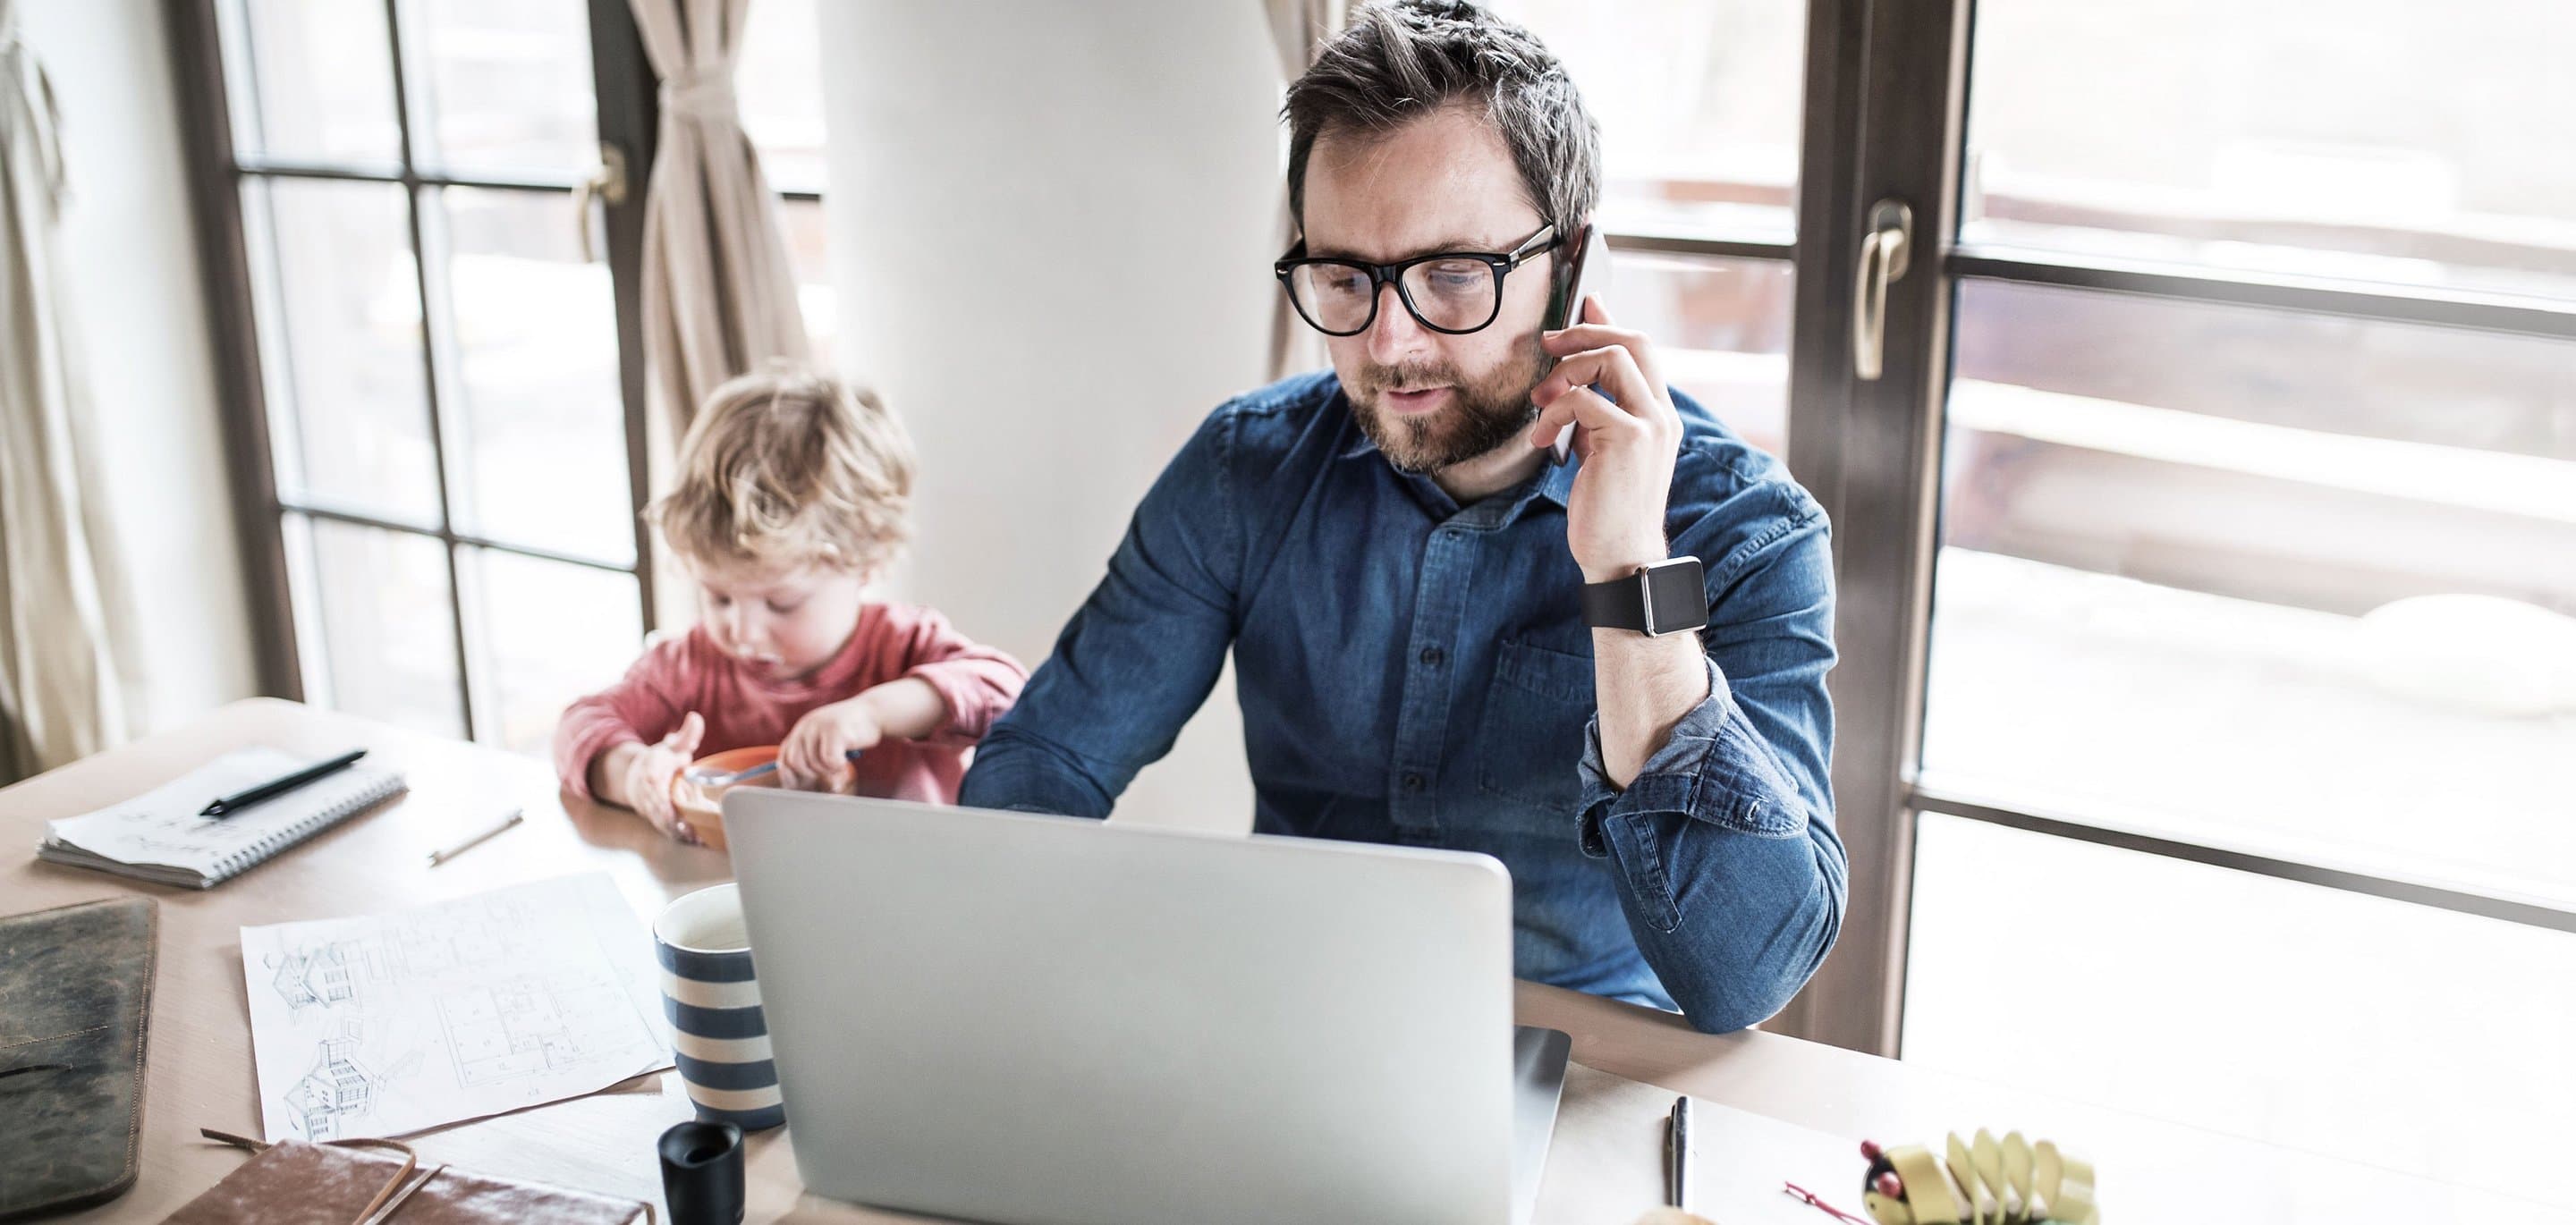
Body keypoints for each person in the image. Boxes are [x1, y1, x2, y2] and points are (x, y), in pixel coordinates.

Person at [959, 0, 1843, 1034]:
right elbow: (1049, 762)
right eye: (1345, 277)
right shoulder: (1245, 472)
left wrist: (1628, 567)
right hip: (1281, 1029)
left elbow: (1748, 973)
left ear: (1571, 265)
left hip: (1583, 1065)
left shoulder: (1746, 533)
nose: (1387, 342)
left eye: (1453, 275)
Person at [556, 367, 1027, 844]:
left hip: (910, 893)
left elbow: (1007, 693)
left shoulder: (902, 647)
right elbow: (579, 727)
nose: (741, 630)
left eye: (781, 603)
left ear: (867, 559)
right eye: (718, 596)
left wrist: (872, 713)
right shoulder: (690, 668)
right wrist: (635, 774)